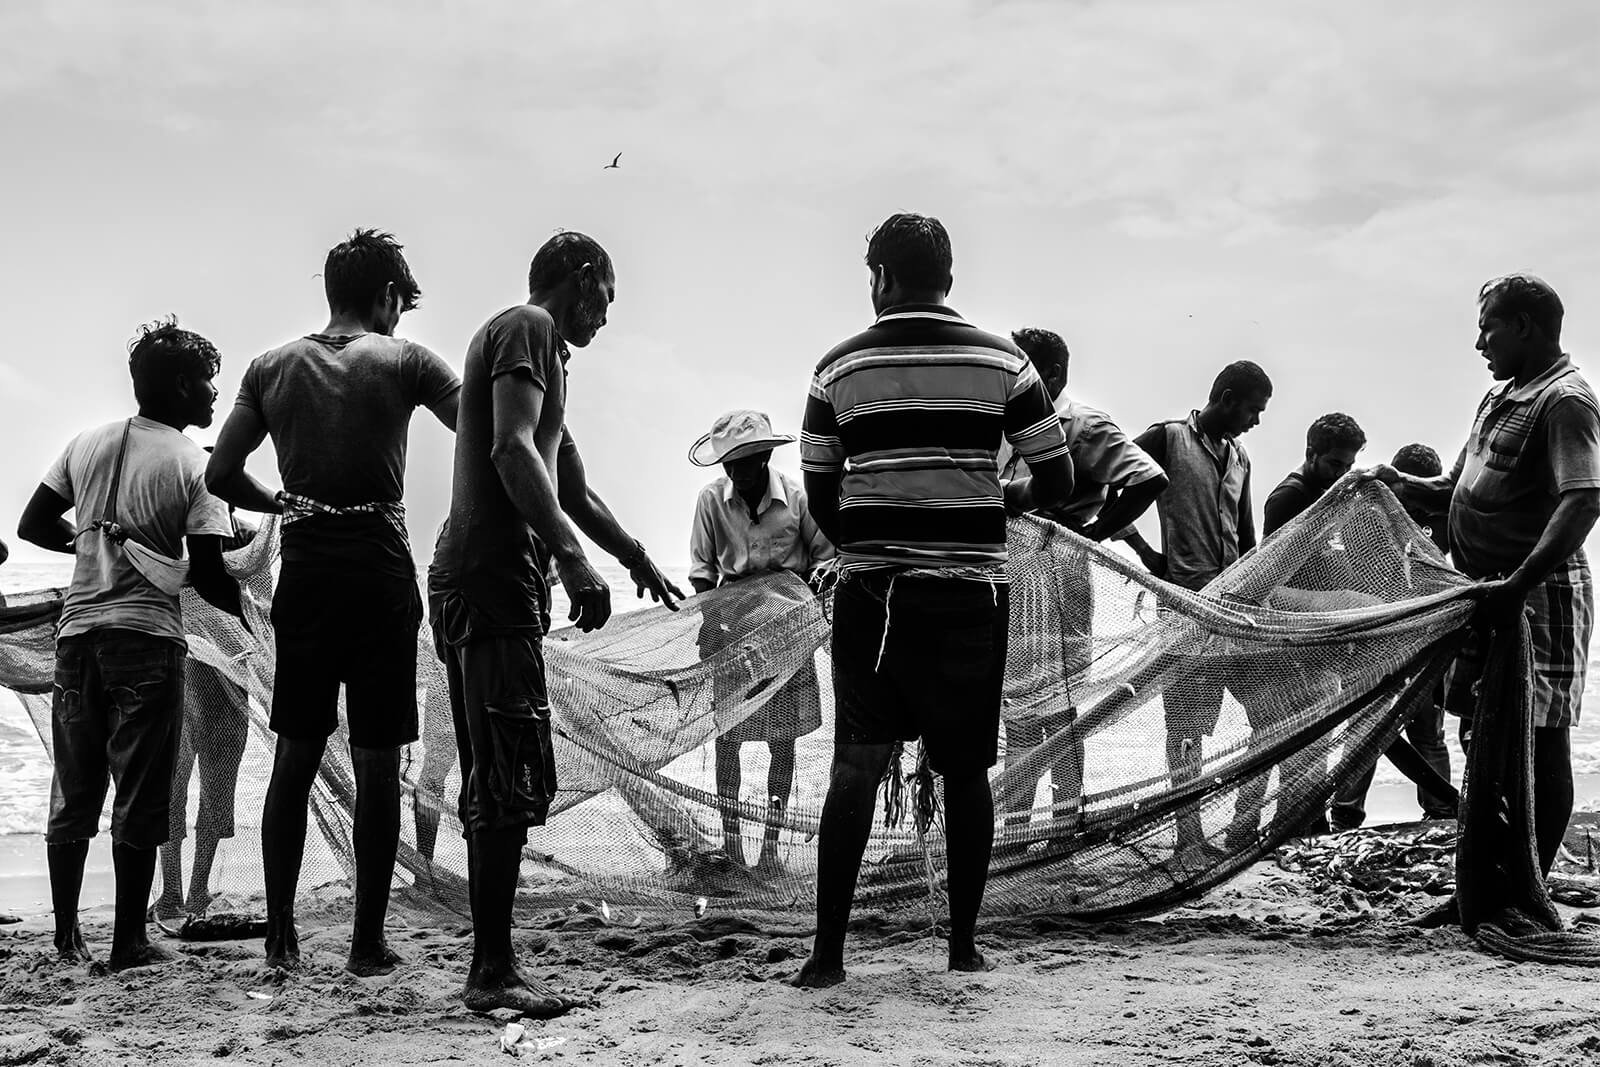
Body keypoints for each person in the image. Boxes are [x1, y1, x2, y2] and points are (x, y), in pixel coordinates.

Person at [792, 213, 1073, 988]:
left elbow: (821, 493)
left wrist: (874, 540)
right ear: (947, 275)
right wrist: (997, 498)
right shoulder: (1006, 363)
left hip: (872, 597)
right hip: (967, 595)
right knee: (965, 768)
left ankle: (828, 956)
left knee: (855, 764)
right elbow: (1061, 480)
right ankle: (961, 946)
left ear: (880, 277)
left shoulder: (836, 370)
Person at [428, 231, 683, 1015]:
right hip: (492, 579)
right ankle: (492, 970)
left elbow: (568, 480)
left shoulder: (544, 356)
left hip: (489, 583)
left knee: (498, 772)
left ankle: (491, 960)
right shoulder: (526, 328)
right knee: (503, 777)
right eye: (608, 295)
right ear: (583, 279)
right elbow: (511, 451)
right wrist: (573, 560)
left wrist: (633, 554)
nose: (607, 315)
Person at [206, 229, 461, 974]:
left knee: (296, 749)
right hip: (380, 566)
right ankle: (365, 942)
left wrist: (278, 499)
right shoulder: (405, 360)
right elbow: (483, 429)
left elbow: (223, 472)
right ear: (387, 296)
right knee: (381, 761)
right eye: (398, 305)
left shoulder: (271, 366)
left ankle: (280, 935)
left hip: (309, 570)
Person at [16, 318, 245, 970]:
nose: (212, 395)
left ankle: (65, 939)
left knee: (75, 790)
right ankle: (128, 941)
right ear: (179, 385)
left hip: (76, 639)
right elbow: (205, 573)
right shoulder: (195, 466)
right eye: (206, 382)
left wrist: (94, 545)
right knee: (141, 794)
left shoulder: (84, 443)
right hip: (146, 641)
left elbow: (33, 522)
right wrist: (257, 613)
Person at [1373, 273, 1600, 878]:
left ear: (1523, 326)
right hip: (1488, 594)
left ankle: (1524, 886)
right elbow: (1453, 490)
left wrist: (1519, 584)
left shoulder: (1566, 401)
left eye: (1487, 328)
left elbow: (1583, 500)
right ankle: (1484, 879)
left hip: (1537, 594)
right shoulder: (1501, 397)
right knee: (1486, 742)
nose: (1479, 345)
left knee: (1538, 743)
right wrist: (1402, 486)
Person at [996, 327, 1168, 847]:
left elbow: (1148, 479)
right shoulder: (1012, 423)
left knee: (1060, 698)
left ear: (1048, 375)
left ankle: (1066, 823)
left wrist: (1091, 535)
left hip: (1059, 568)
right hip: (1012, 568)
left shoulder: (1084, 424)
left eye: (1018, 370)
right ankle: (1017, 827)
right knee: (1018, 700)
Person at [1132, 362, 1271, 861]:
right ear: (1227, 397)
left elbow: (1249, 537)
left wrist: (1258, 599)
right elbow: (1110, 487)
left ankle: (1243, 826)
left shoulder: (1241, 456)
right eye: (1253, 409)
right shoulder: (1167, 439)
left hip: (1234, 610)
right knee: (1187, 726)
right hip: (1187, 607)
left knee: (1270, 715)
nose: (1255, 421)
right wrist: (1149, 557)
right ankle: (1188, 838)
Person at [687, 409, 835, 874]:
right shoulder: (711, 500)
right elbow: (702, 574)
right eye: (729, 464)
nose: (735, 472)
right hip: (730, 634)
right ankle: (732, 846)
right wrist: (716, 623)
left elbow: (822, 564)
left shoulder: (796, 498)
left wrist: (796, 617)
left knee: (782, 742)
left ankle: (771, 846)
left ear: (766, 456)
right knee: (727, 741)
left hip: (787, 635)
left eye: (745, 462)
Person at [1320, 443, 1457, 829]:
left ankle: (1441, 811)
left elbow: (1440, 568)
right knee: (1370, 727)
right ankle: (1348, 813)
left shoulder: (1440, 516)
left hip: (1422, 634)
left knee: (1421, 730)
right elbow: (1349, 570)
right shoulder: (1367, 514)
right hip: (1378, 634)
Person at [154, 488, 258, 921]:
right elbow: (259, 614)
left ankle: (187, 891)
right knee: (178, 789)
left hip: (216, 678)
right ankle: (179, 893)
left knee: (197, 789)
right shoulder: (242, 541)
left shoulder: (177, 541)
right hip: (195, 676)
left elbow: (258, 609)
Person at [1261, 413, 1367, 536]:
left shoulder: (1320, 488)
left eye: (1348, 466)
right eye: (1335, 464)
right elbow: (1270, 554)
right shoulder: (1289, 496)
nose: (1342, 473)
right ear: (1311, 454)